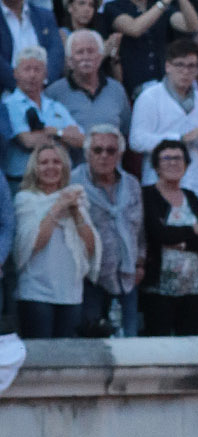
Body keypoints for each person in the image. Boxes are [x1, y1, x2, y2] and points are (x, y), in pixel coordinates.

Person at [12, 137, 98, 338]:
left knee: (68, 357)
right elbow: (32, 244)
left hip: (71, 293)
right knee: (42, 357)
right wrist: (58, 207)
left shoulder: (76, 197)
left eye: (56, 162)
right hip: (36, 293)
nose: (50, 167)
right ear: (35, 168)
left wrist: (76, 211)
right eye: (44, 162)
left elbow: (91, 247)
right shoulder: (25, 199)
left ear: (64, 167)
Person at [74, 123, 143, 335]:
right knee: (92, 344)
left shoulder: (131, 184)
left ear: (120, 154)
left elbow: (139, 229)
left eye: (110, 150)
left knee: (130, 345)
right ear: (87, 153)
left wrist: (140, 263)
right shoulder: (73, 183)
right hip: (89, 279)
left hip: (128, 277)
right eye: (97, 150)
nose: (104, 155)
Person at [129, 38, 198, 198]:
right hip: (158, 187)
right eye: (180, 65)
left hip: (194, 186)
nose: (185, 71)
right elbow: (137, 140)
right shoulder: (150, 97)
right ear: (168, 66)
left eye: (191, 66)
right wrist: (179, 138)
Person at [140, 136, 198, 333]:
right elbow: (158, 234)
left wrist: (182, 243)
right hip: (158, 288)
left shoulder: (192, 196)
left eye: (178, 158)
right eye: (167, 158)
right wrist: (191, 231)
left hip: (192, 288)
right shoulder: (147, 195)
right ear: (156, 166)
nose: (173, 163)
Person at [3, 45, 81, 192]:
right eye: (27, 69)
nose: (32, 75)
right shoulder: (9, 105)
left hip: (59, 181)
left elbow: (80, 139)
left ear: (45, 74)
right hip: (23, 181)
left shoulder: (55, 106)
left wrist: (56, 132)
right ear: (16, 73)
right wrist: (62, 139)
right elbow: (28, 141)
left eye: (37, 70)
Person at [49, 30, 130, 139]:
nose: (86, 57)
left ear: (100, 58)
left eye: (91, 51)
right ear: (69, 61)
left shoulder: (117, 90)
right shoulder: (54, 93)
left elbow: (125, 131)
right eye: (80, 52)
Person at [0, 0, 66, 90]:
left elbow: (56, 52)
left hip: (44, 90)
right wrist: (20, 85)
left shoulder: (45, 16)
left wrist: (43, 81)